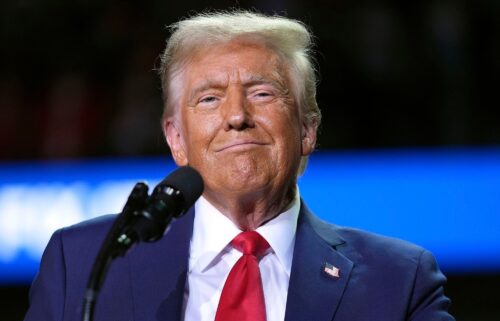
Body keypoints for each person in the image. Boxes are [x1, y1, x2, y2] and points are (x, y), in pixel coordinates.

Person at [24, 11, 455, 321]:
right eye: (209, 98)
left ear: (308, 129)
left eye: (263, 93)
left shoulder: (399, 282)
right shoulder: (83, 263)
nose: (236, 115)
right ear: (176, 139)